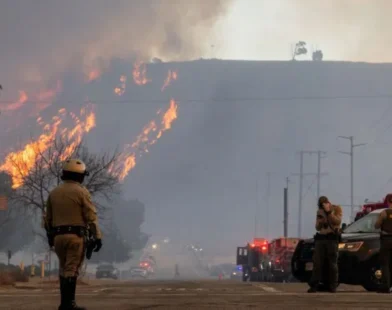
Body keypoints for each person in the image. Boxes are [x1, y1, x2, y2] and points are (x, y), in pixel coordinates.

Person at [45, 159, 102, 310]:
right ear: (80, 176)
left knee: (63, 268)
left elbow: (47, 219)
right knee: (71, 269)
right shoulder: (81, 192)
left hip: (58, 238)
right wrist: (97, 237)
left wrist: (50, 237)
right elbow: (91, 216)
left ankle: (64, 303)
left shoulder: (54, 193)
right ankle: (69, 304)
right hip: (76, 237)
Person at [308, 196, 342, 293]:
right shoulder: (320, 211)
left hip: (332, 238)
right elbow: (317, 228)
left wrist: (329, 212)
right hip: (321, 239)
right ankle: (314, 285)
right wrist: (320, 221)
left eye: (324, 204)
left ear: (328, 202)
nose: (323, 206)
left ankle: (333, 285)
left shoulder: (336, 209)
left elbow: (337, 221)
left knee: (332, 263)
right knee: (317, 263)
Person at [374, 197, 392, 293]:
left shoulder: (385, 212)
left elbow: (376, 225)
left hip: (386, 240)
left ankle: (386, 286)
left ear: (388, 202)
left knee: (385, 264)